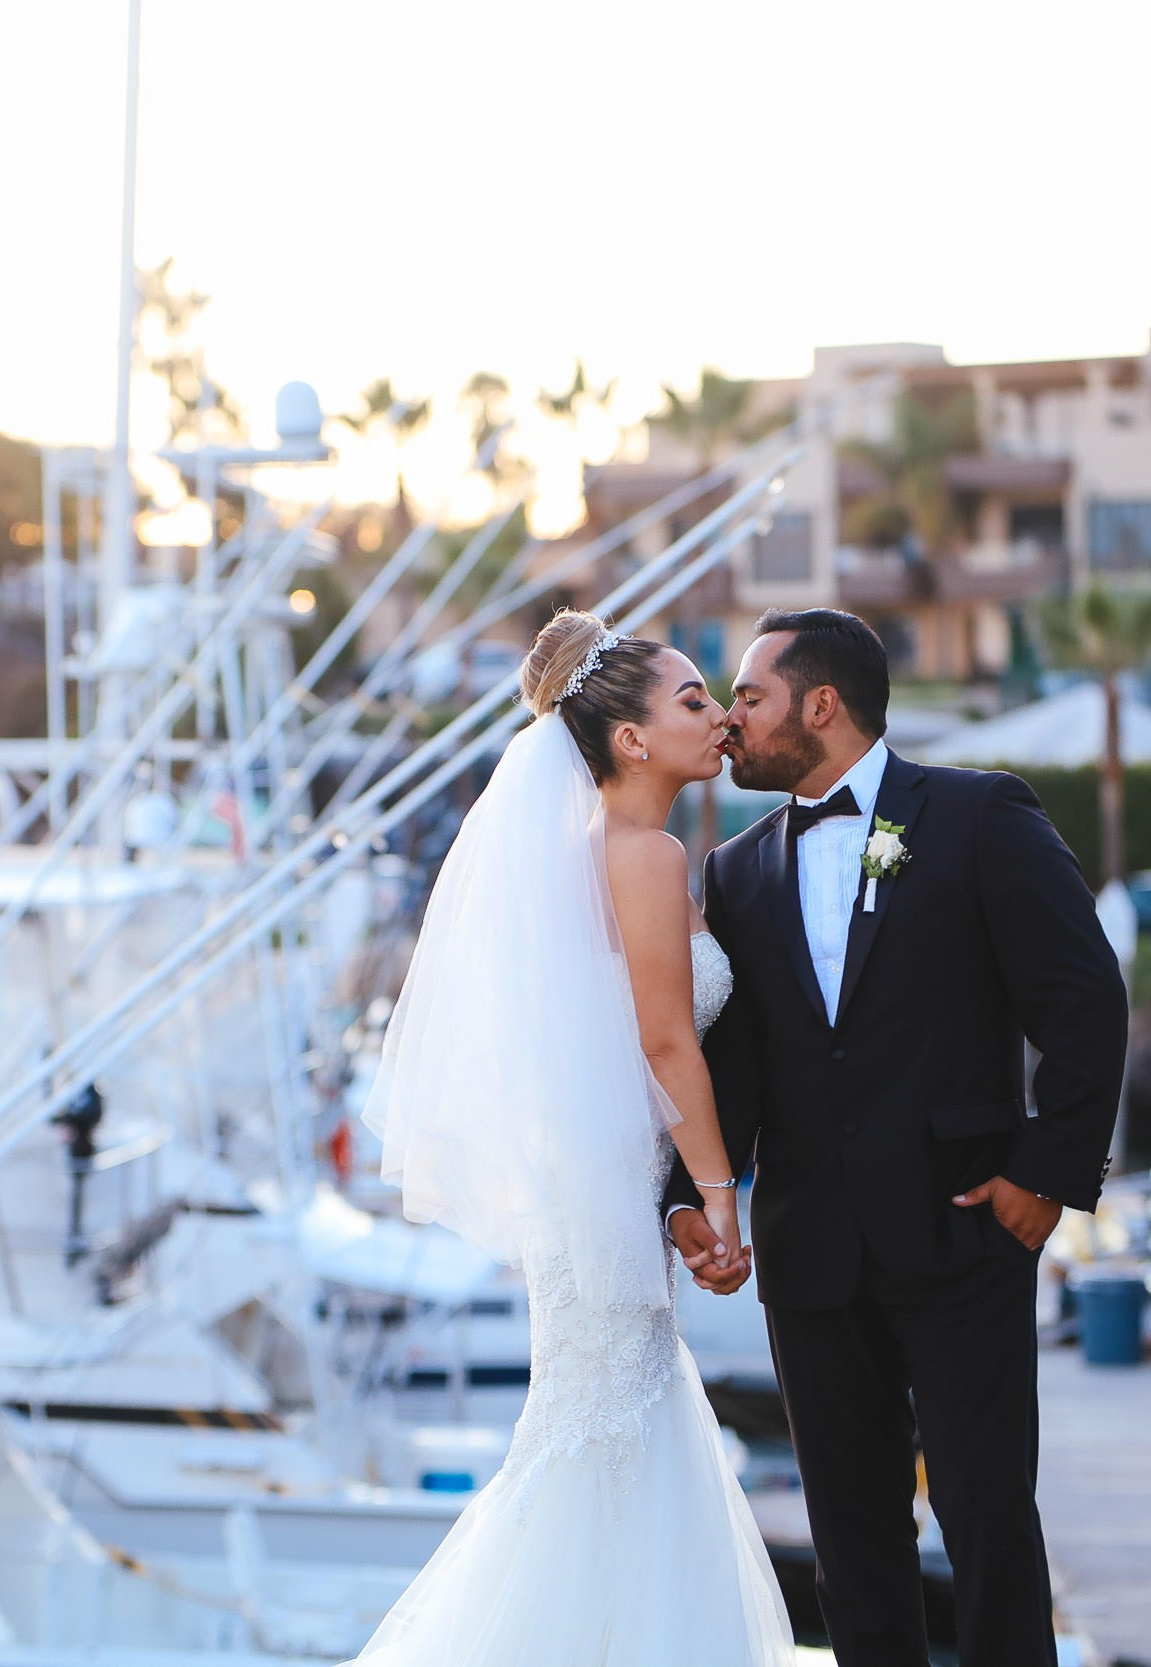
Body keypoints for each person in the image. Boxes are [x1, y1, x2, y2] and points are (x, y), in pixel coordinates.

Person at [667, 607, 1125, 1666]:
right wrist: (692, 1194)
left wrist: (1045, 1173)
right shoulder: (735, 870)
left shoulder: (978, 816)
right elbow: (736, 1065)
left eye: (750, 697)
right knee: (852, 1543)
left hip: (965, 1235)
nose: (732, 720)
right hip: (811, 1253)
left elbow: (1085, 997)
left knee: (988, 1520)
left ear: (821, 705)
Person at [348, 610, 795, 1665]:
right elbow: (663, 1040)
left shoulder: (582, 860)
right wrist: (718, 1196)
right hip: (608, 1204)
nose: (719, 715)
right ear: (631, 739)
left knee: (600, 1442)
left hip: (598, 1195)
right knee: (604, 1446)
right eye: (693, 699)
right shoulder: (641, 853)